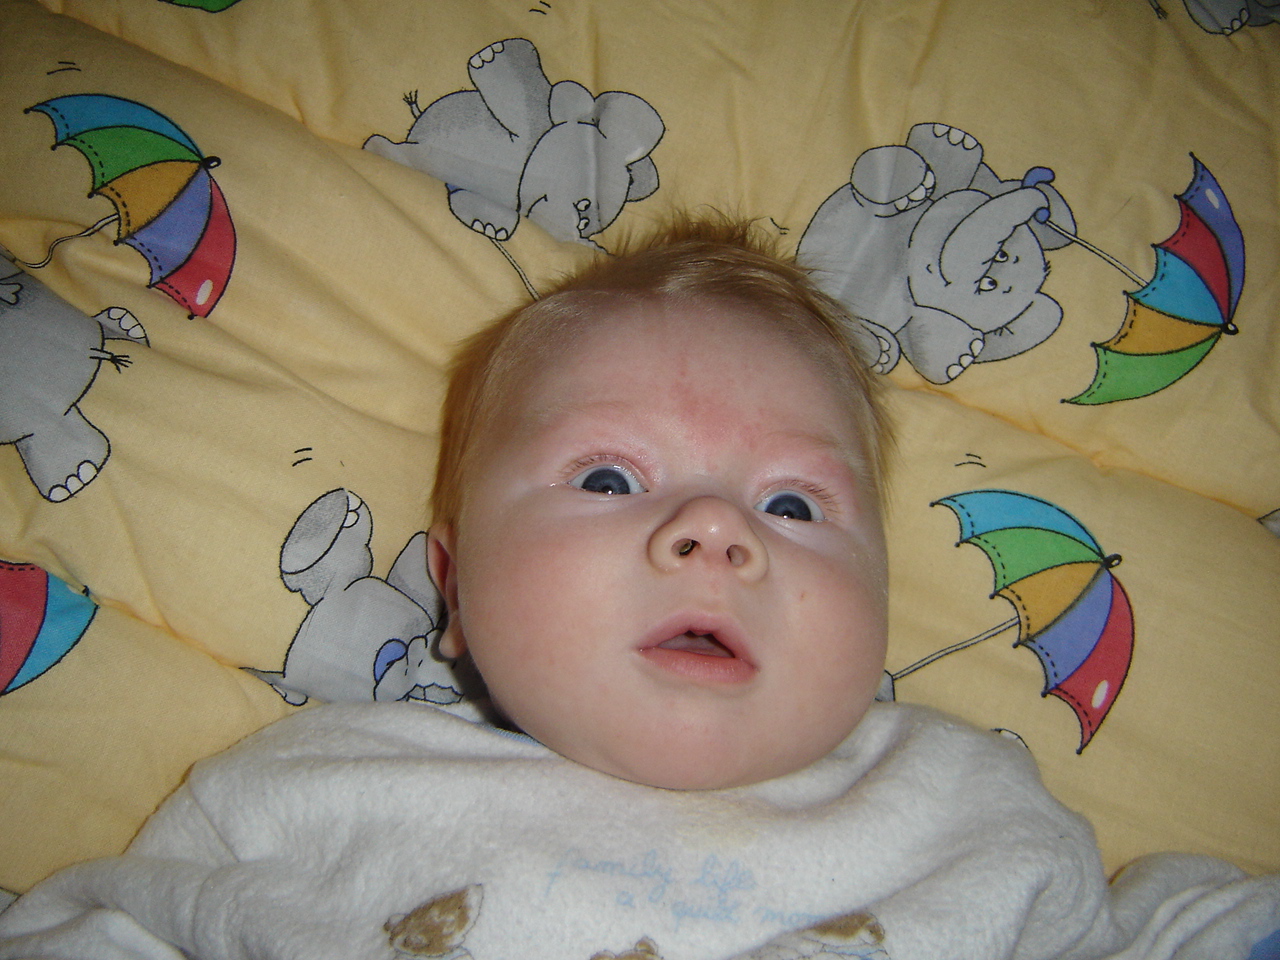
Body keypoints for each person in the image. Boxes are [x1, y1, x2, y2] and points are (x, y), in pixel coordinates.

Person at [0, 215, 1275, 960]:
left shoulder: (962, 806)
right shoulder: (307, 794)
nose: (714, 530)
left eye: (791, 505)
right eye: (608, 477)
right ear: (453, 590)